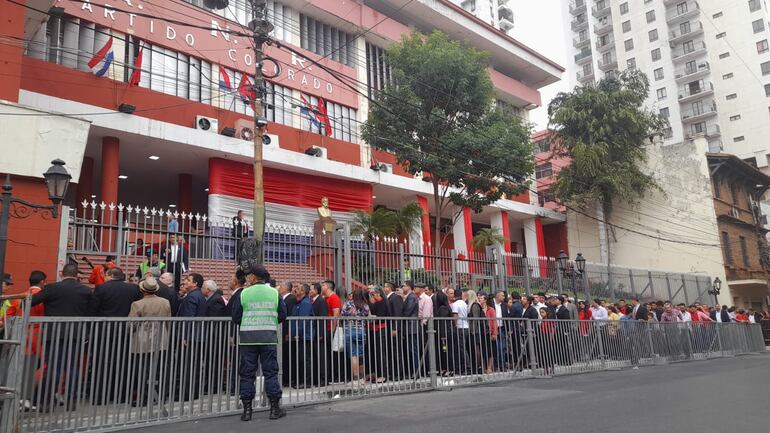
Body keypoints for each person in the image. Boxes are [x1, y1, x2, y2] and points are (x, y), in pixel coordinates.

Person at [31, 264, 94, 411]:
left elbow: (32, 301)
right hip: (76, 334)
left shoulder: (52, 288)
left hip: (54, 333)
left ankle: (46, 402)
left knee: (53, 367)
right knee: (72, 367)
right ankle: (71, 399)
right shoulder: (85, 291)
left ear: (62, 273)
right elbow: (91, 311)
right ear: (76, 275)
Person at [231, 263, 287, 421]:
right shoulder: (274, 293)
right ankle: (274, 409)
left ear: (254, 277)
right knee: (270, 373)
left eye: (249, 276)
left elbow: (235, 317)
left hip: (248, 339)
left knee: (247, 374)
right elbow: (283, 315)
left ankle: (247, 411)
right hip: (268, 337)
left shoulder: (244, 293)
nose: (248, 278)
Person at [128, 277, 171, 407]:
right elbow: (169, 321)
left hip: (143, 340)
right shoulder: (165, 302)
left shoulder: (137, 304)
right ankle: (159, 396)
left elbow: (131, 325)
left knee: (142, 370)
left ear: (142, 289)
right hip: (161, 338)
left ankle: (144, 397)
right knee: (158, 369)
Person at [341, 288, 370, 385]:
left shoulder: (348, 303)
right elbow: (367, 317)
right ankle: (362, 379)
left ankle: (356, 379)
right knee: (360, 354)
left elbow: (343, 314)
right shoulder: (365, 305)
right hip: (361, 330)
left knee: (353, 355)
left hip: (349, 330)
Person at [290, 284, 314, 388]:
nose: (295, 290)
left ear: (303, 291)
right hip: (300, 336)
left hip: (304, 336)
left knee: (305, 359)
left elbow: (302, 321)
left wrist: (297, 334)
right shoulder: (299, 302)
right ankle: (300, 380)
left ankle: (306, 382)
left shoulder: (305, 303)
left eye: (298, 289)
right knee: (300, 359)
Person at [321, 280, 342, 383]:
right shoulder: (325, 298)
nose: (321, 287)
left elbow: (336, 314)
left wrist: (333, 330)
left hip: (331, 329)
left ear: (328, 287)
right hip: (327, 328)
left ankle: (337, 376)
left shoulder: (334, 298)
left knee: (334, 354)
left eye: (323, 285)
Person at [367, 286, 388, 383]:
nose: (371, 296)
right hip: (374, 330)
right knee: (374, 352)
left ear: (378, 294)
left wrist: (372, 317)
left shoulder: (383, 302)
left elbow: (381, 316)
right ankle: (376, 373)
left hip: (381, 329)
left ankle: (383, 375)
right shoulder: (376, 303)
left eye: (372, 294)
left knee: (380, 353)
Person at [383, 282, 403, 379]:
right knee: (391, 351)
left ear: (390, 288)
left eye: (385, 286)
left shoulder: (395, 298)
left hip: (394, 329)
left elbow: (397, 313)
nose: (384, 288)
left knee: (396, 352)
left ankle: (398, 373)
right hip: (389, 328)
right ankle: (392, 373)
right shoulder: (389, 298)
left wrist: (395, 328)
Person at [401, 281, 420, 378]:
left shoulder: (412, 297)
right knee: (411, 350)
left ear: (408, 287)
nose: (402, 287)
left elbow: (407, 311)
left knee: (413, 350)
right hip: (409, 327)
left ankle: (416, 372)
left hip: (412, 327)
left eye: (403, 286)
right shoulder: (409, 296)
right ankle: (414, 371)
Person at [450, 289, 470, 375]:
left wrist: (455, 325)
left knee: (461, 348)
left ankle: (466, 367)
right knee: (462, 347)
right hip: (465, 326)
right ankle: (463, 367)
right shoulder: (464, 303)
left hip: (460, 327)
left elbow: (455, 315)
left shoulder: (455, 304)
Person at [537, 307, 557, 375]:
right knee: (543, 353)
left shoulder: (550, 320)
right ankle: (545, 368)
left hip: (549, 337)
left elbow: (553, 328)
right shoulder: (542, 320)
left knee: (550, 353)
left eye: (542, 312)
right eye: (540, 312)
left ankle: (552, 367)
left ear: (547, 312)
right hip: (543, 336)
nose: (541, 314)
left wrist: (551, 337)